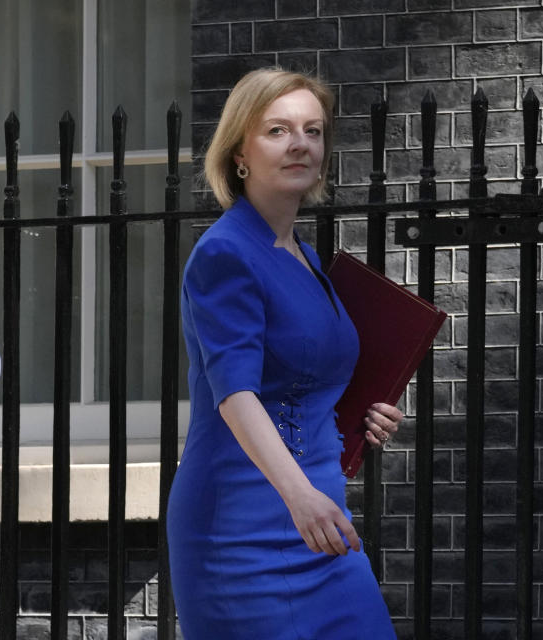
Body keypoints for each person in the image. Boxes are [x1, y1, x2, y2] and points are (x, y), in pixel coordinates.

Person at [166, 68, 403, 639]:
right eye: (277, 129)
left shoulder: (305, 257)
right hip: (241, 528)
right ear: (240, 153)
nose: (300, 143)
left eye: (313, 130)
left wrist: (360, 415)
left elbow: (303, 382)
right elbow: (235, 392)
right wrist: (299, 497)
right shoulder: (224, 253)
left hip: (323, 517)